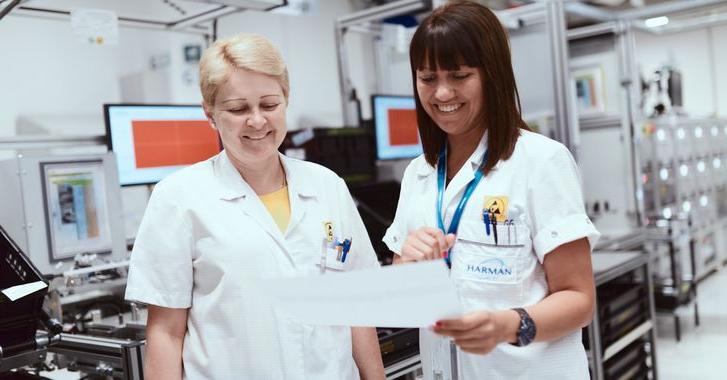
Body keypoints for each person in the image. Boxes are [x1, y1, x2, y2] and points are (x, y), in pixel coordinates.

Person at [125, 33, 385, 379]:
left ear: (286, 100)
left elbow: (356, 308)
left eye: (269, 105)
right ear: (210, 114)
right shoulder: (179, 198)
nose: (257, 121)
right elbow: (166, 333)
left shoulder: (327, 187)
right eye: (238, 109)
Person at [382, 1, 600, 379]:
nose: (442, 93)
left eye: (460, 75)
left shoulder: (540, 161)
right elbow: (405, 285)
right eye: (427, 78)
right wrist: (408, 264)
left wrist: (508, 325)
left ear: (492, 75)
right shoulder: (418, 174)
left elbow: (579, 299)